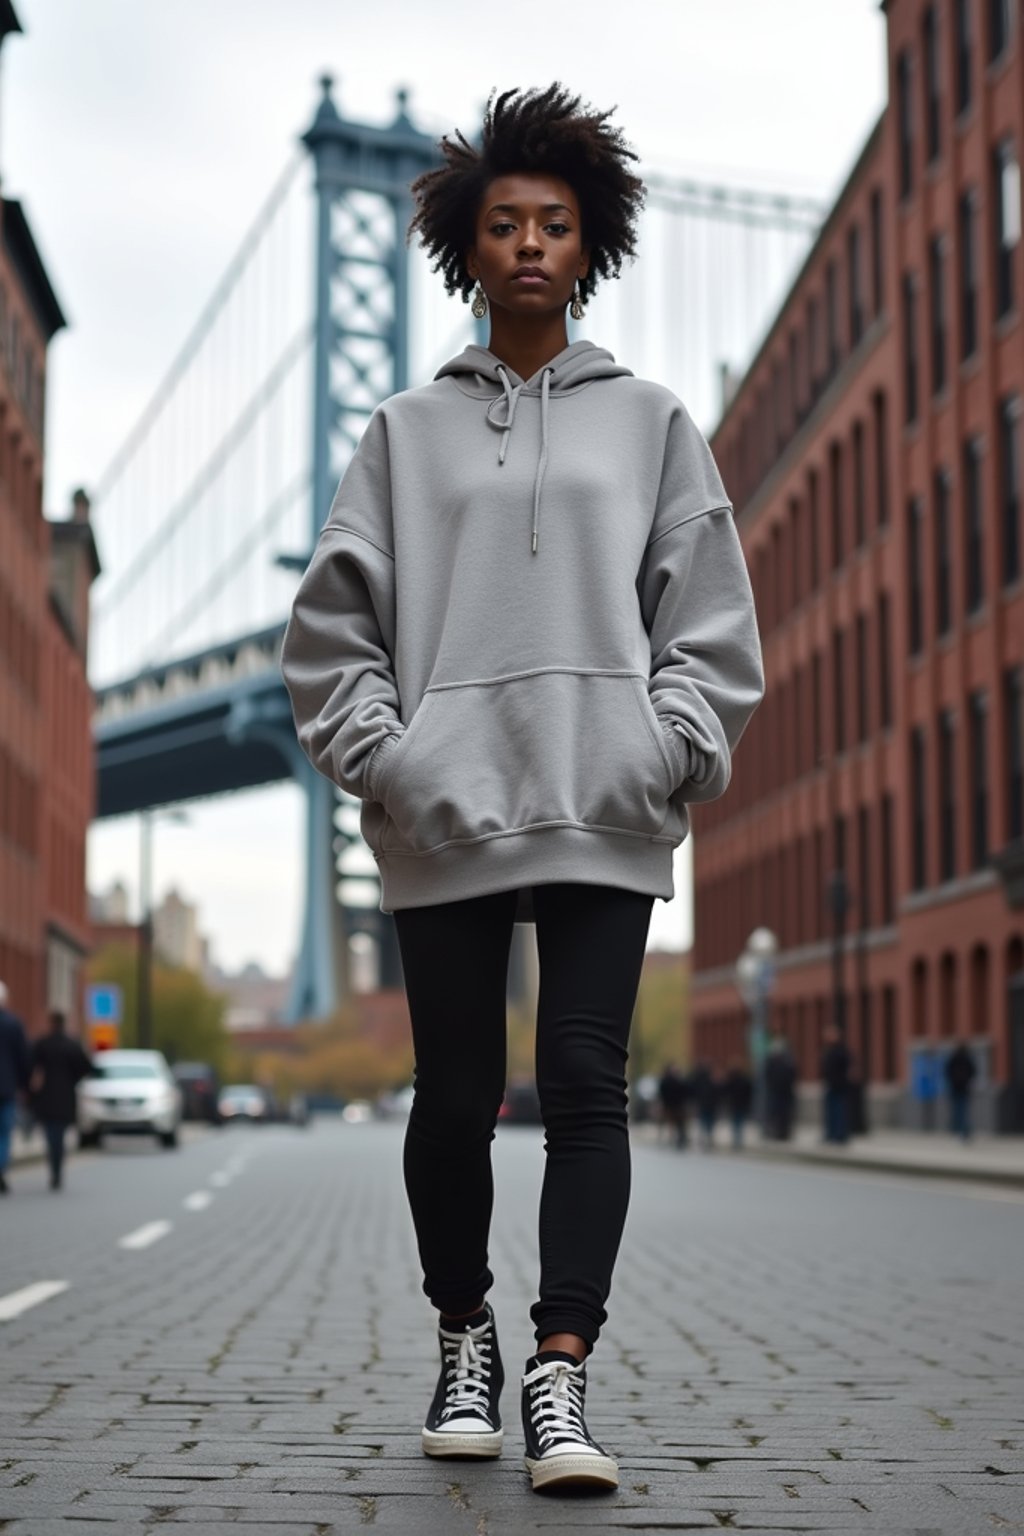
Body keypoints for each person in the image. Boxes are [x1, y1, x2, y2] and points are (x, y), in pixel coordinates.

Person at [281, 83, 764, 1494]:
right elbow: (329, 630)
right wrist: (392, 759)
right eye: (506, 225)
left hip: (606, 809)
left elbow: (711, 618)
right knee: (454, 1096)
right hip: (446, 817)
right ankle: (461, 1340)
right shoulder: (402, 434)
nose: (533, 246)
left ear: (590, 241)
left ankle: (561, 1373)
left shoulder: (654, 424)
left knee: (585, 1089)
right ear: (467, 249)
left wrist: (668, 742)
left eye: (557, 223)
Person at [28, 1011, 94, 1190]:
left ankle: (54, 1169)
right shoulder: (72, 1045)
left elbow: (30, 1066)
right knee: (60, 1136)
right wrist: (73, 1079)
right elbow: (86, 1067)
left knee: (51, 1136)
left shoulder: (43, 1044)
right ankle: (57, 1170)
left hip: (47, 1097)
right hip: (65, 1097)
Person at [0, 980, 30, 1194]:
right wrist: (24, 1084)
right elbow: (23, 1058)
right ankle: (0, 1169)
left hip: (8, 1087)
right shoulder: (14, 1024)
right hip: (7, 1088)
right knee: (4, 1133)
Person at [820, 1026, 852, 1145]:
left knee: (839, 1111)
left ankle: (839, 1135)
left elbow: (847, 1066)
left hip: (839, 1086)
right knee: (830, 1112)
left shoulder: (841, 1051)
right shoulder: (828, 1050)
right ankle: (830, 1133)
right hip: (830, 1085)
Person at [763, 1032, 798, 1141]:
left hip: (785, 1092)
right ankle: (776, 1132)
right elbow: (767, 1075)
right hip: (776, 1092)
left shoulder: (788, 1061)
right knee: (775, 1113)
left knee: (785, 1114)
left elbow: (792, 1074)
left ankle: (784, 1133)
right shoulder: (772, 1062)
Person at [944, 1040, 977, 1141]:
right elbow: (973, 1071)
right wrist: (967, 1080)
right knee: (963, 1111)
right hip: (964, 1088)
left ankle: (958, 1130)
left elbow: (946, 1071)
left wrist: (952, 1081)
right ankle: (963, 1131)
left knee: (957, 1110)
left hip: (955, 1088)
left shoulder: (953, 1058)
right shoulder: (967, 1058)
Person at [721, 1058, 753, 1149]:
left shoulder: (732, 1079)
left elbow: (725, 1091)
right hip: (737, 1104)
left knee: (737, 1123)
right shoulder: (739, 1079)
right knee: (738, 1123)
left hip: (736, 1104)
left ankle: (737, 1140)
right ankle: (737, 1140)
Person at [658, 1061, 690, 1149]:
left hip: (677, 1106)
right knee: (673, 1123)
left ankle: (679, 1139)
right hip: (671, 1105)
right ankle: (675, 1139)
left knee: (679, 1124)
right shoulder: (670, 1081)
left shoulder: (676, 1081)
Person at [689, 1061, 718, 1150]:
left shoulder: (697, 1079)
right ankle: (708, 1137)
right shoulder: (711, 1079)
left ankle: (704, 1138)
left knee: (703, 1121)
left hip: (703, 1104)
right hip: (710, 1104)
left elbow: (693, 1091)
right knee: (708, 1122)